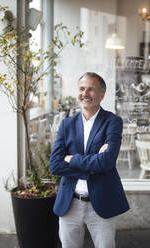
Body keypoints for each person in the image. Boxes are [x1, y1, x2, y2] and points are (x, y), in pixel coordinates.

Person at [49, 72, 130, 248]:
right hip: (70, 202)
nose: (85, 93)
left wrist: (71, 159)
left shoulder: (113, 122)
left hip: (100, 202)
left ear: (101, 95)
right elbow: (55, 165)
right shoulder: (66, 124)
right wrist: (93, 164)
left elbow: (107, 162)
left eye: (91, 89)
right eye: (82, 88)